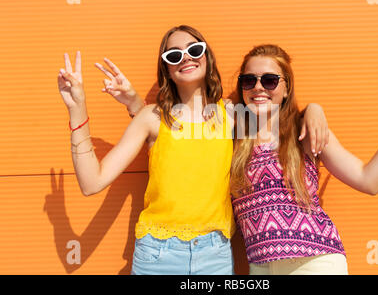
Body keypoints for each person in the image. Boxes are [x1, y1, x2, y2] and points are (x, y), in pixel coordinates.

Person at [57, 25, 329, 275]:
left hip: (215, 255)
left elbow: (280, 116)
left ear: (207, 57)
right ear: (166, 69)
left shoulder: (234, 116)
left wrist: (313, 111)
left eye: (194, 50)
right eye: (174, 55)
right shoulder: (152, 118)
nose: (186, 58)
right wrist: (77, 107)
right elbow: (92, 182)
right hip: (156, 255)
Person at [229, 44, 378, 275]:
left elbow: (369, 180)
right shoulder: (233, 140)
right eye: (249, 80)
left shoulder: (304, 131)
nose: (258, 88)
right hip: (260, 266)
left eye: (269, 80)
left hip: (314, 261)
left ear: (287, 88)